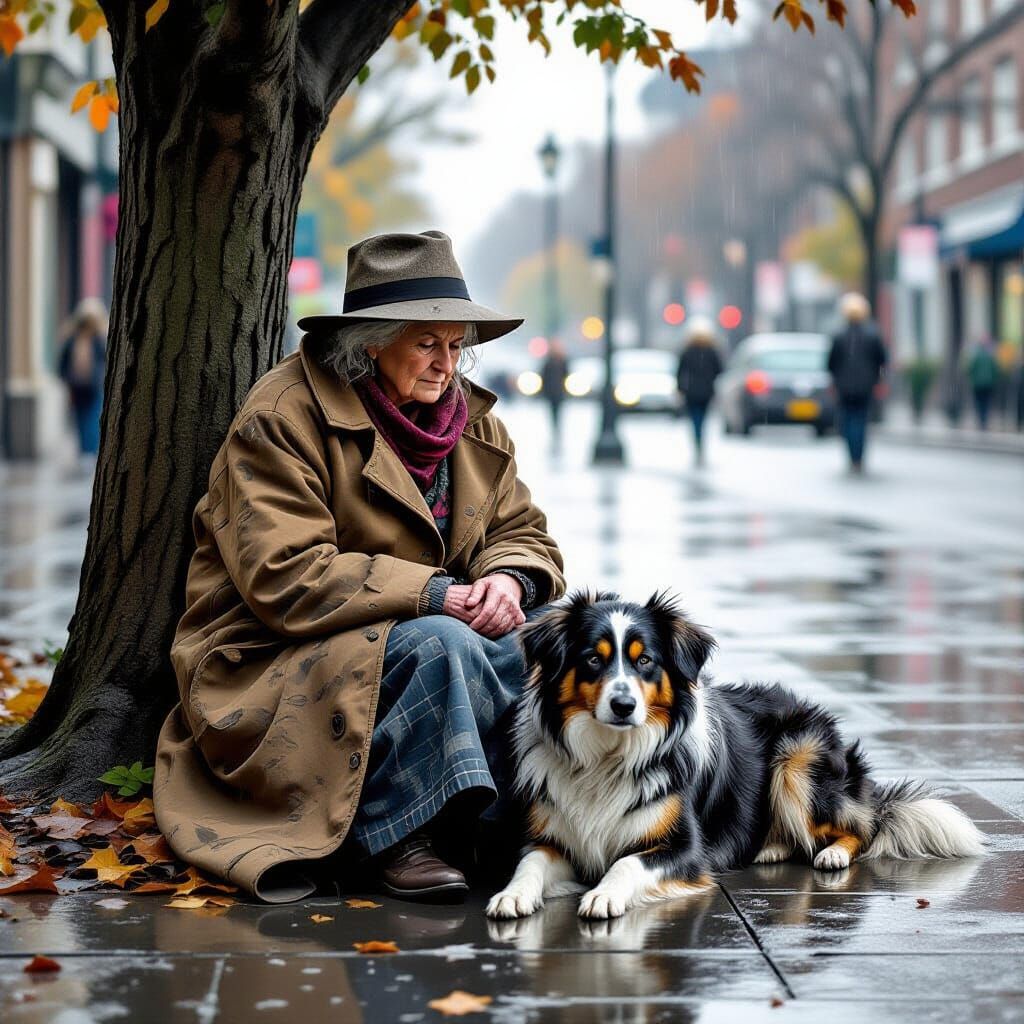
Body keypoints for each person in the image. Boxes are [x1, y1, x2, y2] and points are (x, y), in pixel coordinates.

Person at [154, 230, 566, 905]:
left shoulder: (474, 423)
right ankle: (399, 834)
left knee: (555, 636)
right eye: (428, 343)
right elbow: (285, 574)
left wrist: (508, 579)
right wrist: (436, 593)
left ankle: (521, 826)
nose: (446, 364)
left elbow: (521, 530)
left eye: (457, 345)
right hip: (272, 654)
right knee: (442, 644)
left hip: (410, 623)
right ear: (372, 341)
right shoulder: (282, 417)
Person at [827, 292, 887, 474]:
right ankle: (858, 458)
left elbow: (830, 363)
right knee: (861, 421)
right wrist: (878, 381)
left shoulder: (838, 336)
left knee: (847, 421)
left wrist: (834, 383)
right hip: (865, 386)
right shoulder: (873, 335)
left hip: (844, 387)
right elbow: (882, 360)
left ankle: (853, 457)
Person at [57, 297, 108, 457]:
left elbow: (104, 360)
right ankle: (85, 451)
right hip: (76, 387)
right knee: (80, 420)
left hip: (93, 387)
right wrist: (66, 379)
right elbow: (63, 363)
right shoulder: (71, 339)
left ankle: (90, 452)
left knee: (92, 419)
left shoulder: (99, 339)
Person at [675, 316, 723, 465]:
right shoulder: (712, 351)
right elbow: (719, 370)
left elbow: (680, 372)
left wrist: (681, 389)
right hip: (706, 391)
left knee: (695, 419)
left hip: (691, 392)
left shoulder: (688, 351)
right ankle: (700, 440)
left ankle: (697, 440)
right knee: (702, 419)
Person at [539, 339, 569, 451]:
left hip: (558, 391)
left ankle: (557, 429)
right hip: (551, 391)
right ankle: (555, 428)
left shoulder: (562, 361)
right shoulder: (549, 361)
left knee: (558, 411)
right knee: (553, 412)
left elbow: (567, 374)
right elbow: (543, 376)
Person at [966, 336, 999, 431]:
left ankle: (981, 420)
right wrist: (993, 380)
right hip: (988, 384)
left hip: (977, 384)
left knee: (979, 402)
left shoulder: (975, 355)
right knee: (986, 402)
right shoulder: (990, 355)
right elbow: (995, 370)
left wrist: (972, 378)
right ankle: (984, 420)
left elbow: (970, 368)